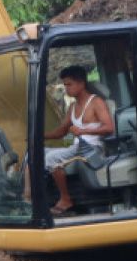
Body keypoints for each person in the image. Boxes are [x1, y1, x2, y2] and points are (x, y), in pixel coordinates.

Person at [44, 66, 114, 215]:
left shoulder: (96, 102)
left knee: (51, 158)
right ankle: (31, 197)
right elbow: (62, 132)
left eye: (69, 84)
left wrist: (83, 130)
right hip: (77, 147)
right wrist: (40, 136)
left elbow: (109, 127)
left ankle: (65, 199)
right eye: (65, 85)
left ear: (81, 83)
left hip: (92, 149)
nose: (66, 88)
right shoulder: (72, 107)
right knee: (38, 154)